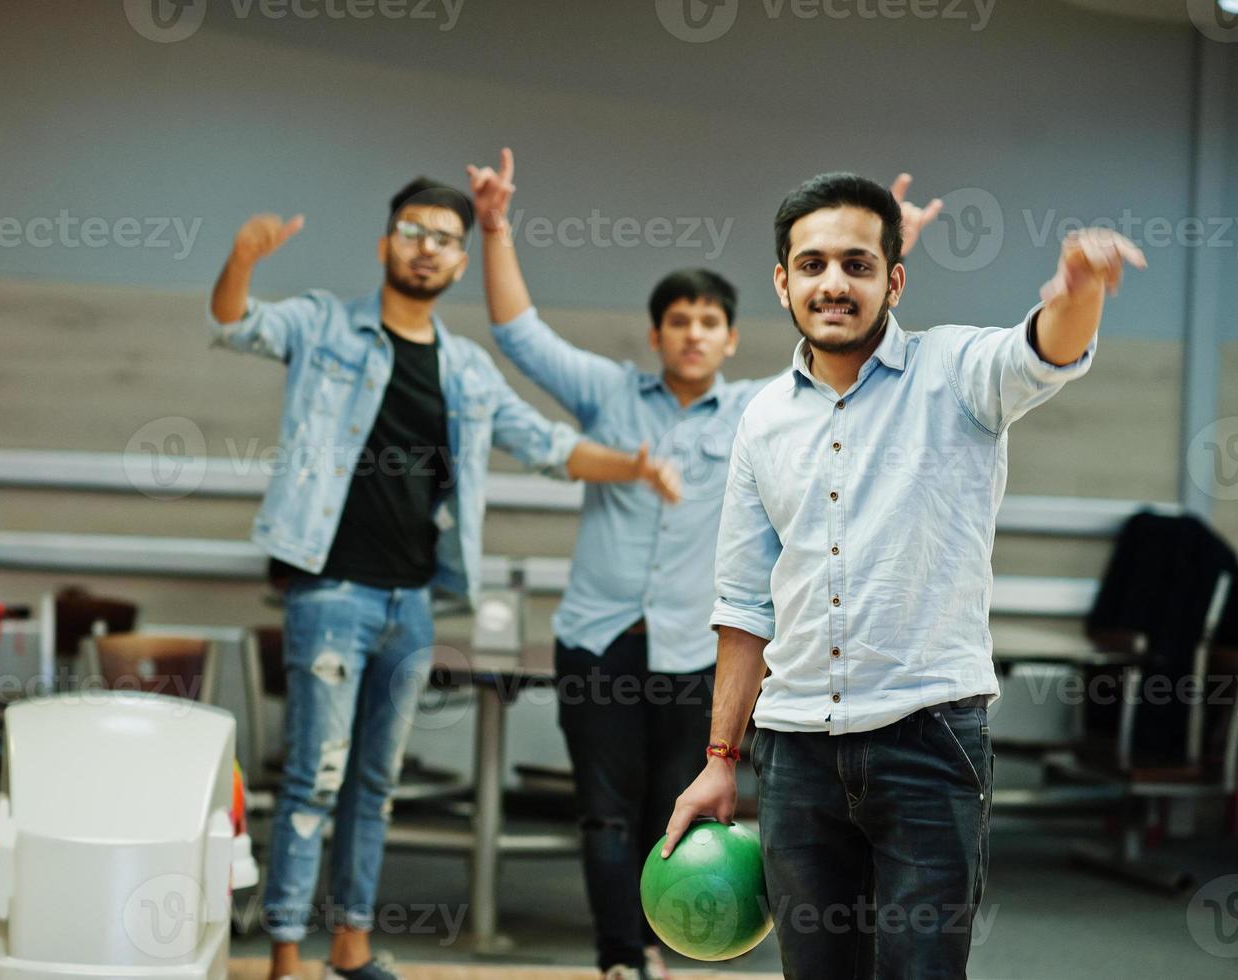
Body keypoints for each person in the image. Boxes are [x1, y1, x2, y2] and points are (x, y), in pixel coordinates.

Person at [663, 171, 1144, 978]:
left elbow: (1044, 349)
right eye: (811, 265)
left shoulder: (954, 371)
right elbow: (743, 605)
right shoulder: (762, 419)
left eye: (856, 264)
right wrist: (720, 758)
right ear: (782, 281)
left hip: (927, 739)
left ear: (893, 278)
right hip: (793, 749)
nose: (832, 284)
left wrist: (1078, 291)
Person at [207, 177, 682, 980]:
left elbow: (545, 444)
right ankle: (287, 955)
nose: (426, 247)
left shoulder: (464, 370)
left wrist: (632, 463)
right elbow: (235, 324)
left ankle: (350, 946)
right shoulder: (325, 323)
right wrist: (242, 260)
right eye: (412, 231)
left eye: (444, 238)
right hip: (329, 591)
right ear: (385, 243)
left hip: (413, 603)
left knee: (375, 784)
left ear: (461, 262)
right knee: (315, 777)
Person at [466, 148, 772, 980]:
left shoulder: (757, 409)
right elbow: (516, 335)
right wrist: (494, 226)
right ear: (657, 333)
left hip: (692, 650)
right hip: (598, 641)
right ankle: (616, 959)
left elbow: (839, 358)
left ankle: (658, 948)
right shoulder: (610, 393)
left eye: (709, 322)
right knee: (602, 814)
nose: (693, 333)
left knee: (672, 816)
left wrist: (891, 256)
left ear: (730, 338)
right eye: (679, 320)